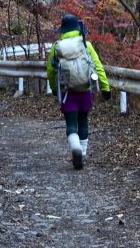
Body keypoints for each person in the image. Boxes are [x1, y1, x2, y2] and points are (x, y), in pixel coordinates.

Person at [46, 14, 111, 170]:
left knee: (71, 124)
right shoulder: (85, 44)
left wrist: (54, 88)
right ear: (77, 28)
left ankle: (75, 147)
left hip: (68, 92)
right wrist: (105, 88)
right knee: (83, 122)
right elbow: (98, 67)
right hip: (86, 91)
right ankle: (81, 154)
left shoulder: (57, 47)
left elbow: (50, 71)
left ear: (63, 30)